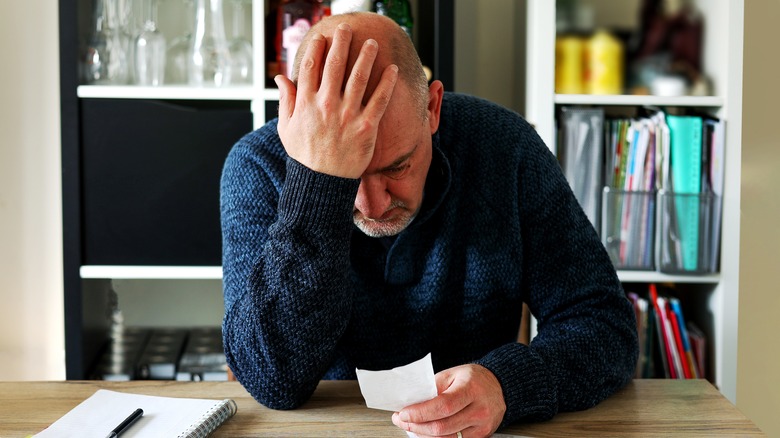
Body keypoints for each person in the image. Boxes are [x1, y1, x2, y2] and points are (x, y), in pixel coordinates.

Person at [220, 11, 638, 438]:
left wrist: (507, 385)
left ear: (432, 108)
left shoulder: (504, 148)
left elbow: (605, 325)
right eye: (351, 180)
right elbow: (272, 380)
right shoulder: (258, 165)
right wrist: (317, 184)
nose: (373, 205)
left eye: (397, 166)